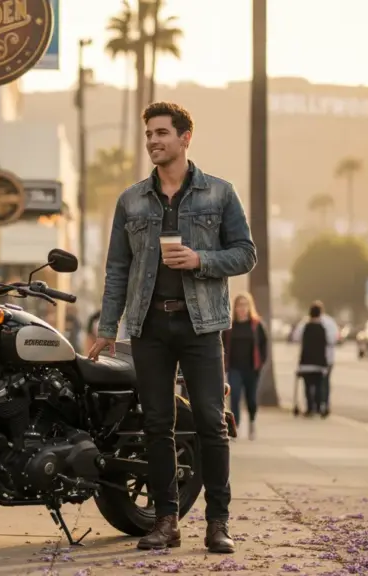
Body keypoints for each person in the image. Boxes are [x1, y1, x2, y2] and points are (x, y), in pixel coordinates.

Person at [86, 101, 257, 553]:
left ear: (185, 138)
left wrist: (202, 260)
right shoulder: (131, 200)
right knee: (156, 425)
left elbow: (245, 253)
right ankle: (166, 520)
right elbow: (117, 269)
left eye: (162, 133)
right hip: (149, 327)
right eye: (149, 135)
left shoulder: (220, 194)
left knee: (210, 422)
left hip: (202, 326)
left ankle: (218, 523)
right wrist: (108, 327)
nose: (153, 142)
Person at [221, 293, 268, 440]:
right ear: (235, 308)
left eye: (245, 305)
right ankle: (236, 428)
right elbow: (222, 345)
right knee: (234, 397)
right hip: (234, 367)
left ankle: (252, 423)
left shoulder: (256, 325)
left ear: (249, 307)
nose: (242, 308)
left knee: (251, 399)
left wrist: (260, 364)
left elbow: (263, 345)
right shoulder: (230, 326)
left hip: (251, 369)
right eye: (239, 305)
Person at [290, 300, 338, 416]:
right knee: (322, 384)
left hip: (306, 361)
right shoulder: (328, 323)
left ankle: (310, 407)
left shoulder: (304, 324)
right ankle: (322, 405)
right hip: (323, 361)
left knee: (308, 385)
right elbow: (333, 339)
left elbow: (295, 337)